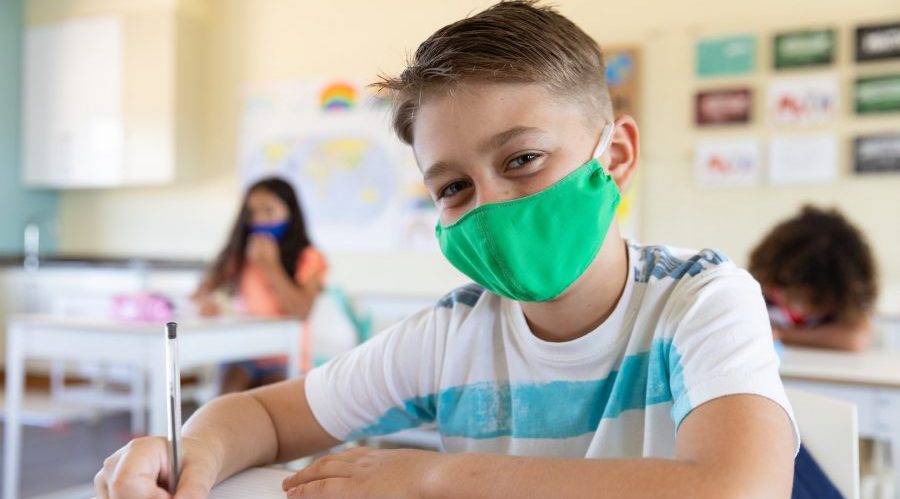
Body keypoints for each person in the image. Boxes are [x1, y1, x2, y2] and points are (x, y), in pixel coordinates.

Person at [95, 3, 798, 498]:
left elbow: (736, 487)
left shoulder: (702, 299)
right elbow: (267, 415)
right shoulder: (453, 333)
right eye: (454, 186)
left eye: (522, 158)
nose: (488, 205)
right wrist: (183, 452)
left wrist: (433, 476)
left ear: (613, 156)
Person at [192, 176, 327, 393]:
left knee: (267, 407)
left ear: (290, 212)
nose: (260, 220)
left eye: (269, 210)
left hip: (285, 355)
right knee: (224, 404)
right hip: (243, 351)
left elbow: (302, 311)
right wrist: (207, 305)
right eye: (252, 213)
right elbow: (198, 294)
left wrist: (271, 267)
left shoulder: (309, 257)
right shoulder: (239, 255)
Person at [749, 205, 878, 352]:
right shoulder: (761, 290)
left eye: (815, 300)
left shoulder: (843, 309)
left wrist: (783, 335)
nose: (773, 291)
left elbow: (856, 339)